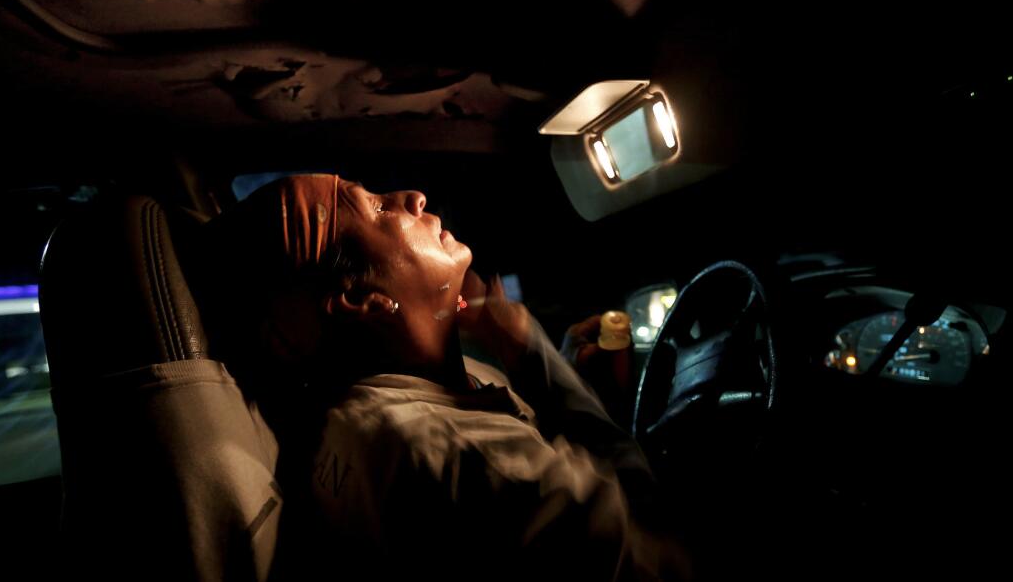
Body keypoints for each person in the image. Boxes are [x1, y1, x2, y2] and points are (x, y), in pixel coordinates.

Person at [201, 174, 685, 582]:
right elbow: (662, 542)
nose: (411, 198)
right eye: (374, 208)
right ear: (362, 301)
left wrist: (542, 364)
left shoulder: (372, 408)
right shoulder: (468, 462)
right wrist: (535, 357)